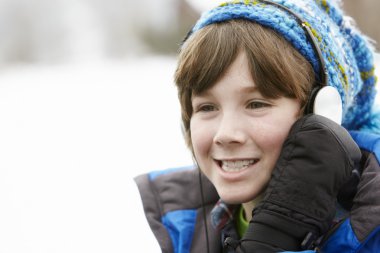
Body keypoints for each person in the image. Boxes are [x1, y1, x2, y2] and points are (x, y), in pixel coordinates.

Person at [135, 0, 380, 252]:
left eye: (255, 104)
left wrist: (282, 231)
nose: (226, 134)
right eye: (207, 107)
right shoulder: (182, 226)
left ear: (323, 114)